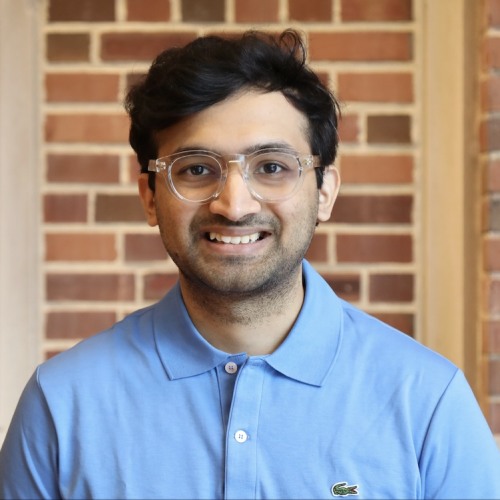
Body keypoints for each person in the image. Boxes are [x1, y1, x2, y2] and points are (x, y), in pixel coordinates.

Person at [1, 29, 499, 500]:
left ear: (324, 191)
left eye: (272, 167)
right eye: (196, 169)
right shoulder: (62, 406)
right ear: (150, 198)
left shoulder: (427, 402)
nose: (234, 205)